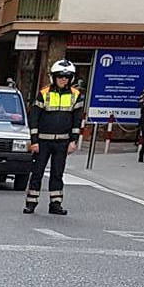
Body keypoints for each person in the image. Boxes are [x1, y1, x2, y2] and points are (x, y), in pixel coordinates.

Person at [24, 59, 84, 216]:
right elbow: (34, 119)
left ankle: (55, 203)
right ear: (54, 77)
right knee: (37, 172)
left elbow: (77, 120)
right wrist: (34, 141)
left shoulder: (76, 95)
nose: (64, 79)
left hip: (62, 141)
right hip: (43, 141)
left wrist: (73, 141)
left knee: (58, 173)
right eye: (60, 76)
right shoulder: (44, 94)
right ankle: (31, 202)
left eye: (67, 77)